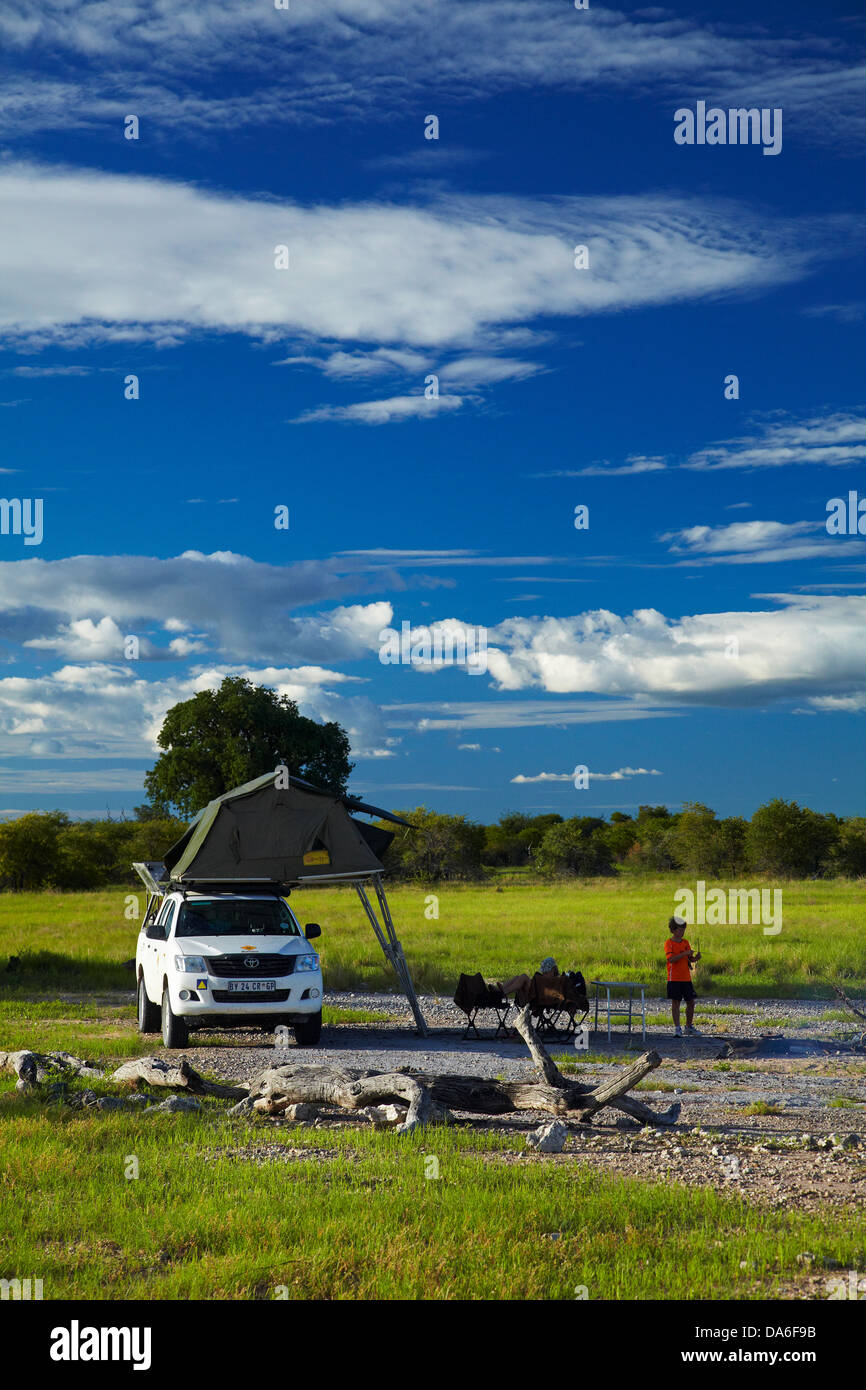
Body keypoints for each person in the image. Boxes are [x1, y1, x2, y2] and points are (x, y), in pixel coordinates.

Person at [665, 917, 702, 1038]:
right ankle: (677, 1028)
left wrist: (695, 958)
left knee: (691, 1002)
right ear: (673, 930)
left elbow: (689, 959)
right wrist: (684, 953)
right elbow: (671, 959)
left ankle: (688, 1026)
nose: (682, 932)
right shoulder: (669, 943)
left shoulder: (685, 942)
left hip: (686, 978)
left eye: (683, 930)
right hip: (674, 978)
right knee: (675, 1002)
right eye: (680, 930)